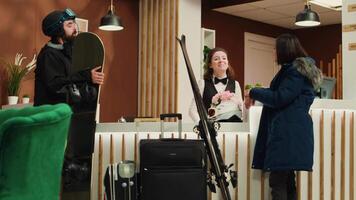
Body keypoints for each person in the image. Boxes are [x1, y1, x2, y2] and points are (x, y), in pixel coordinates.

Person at [245, 33, 322, 200]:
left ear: (284, 50)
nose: (274, 52)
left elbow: (279, 98)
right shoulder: (296, 70)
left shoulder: (294, 71)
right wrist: (255, 92)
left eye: (275, 49)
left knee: (278, 181)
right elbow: (279, 94)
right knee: (287, 181)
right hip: (291, 132)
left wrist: (254, 92)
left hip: (287, 132)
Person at [34, 8, 104, 107]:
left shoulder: (67, 52)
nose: (75, 28)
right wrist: (85, 76)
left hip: (66, 113)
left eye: (74, 23)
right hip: (50, 115)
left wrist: (89, 81)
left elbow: (71, 80)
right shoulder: (48, 55)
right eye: (69, 25)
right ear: (58, 30)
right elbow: (55, 85)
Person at [189, 47, 244, 123]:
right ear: (210, 65)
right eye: (216, 59)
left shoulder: (236, 84)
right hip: (210, 129)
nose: (221, 60)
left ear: (227, 63)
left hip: (231, 129)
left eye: (224, 58)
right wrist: (203, 126)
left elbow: (241, 108)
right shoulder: (202, 83)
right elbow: (192, 110)